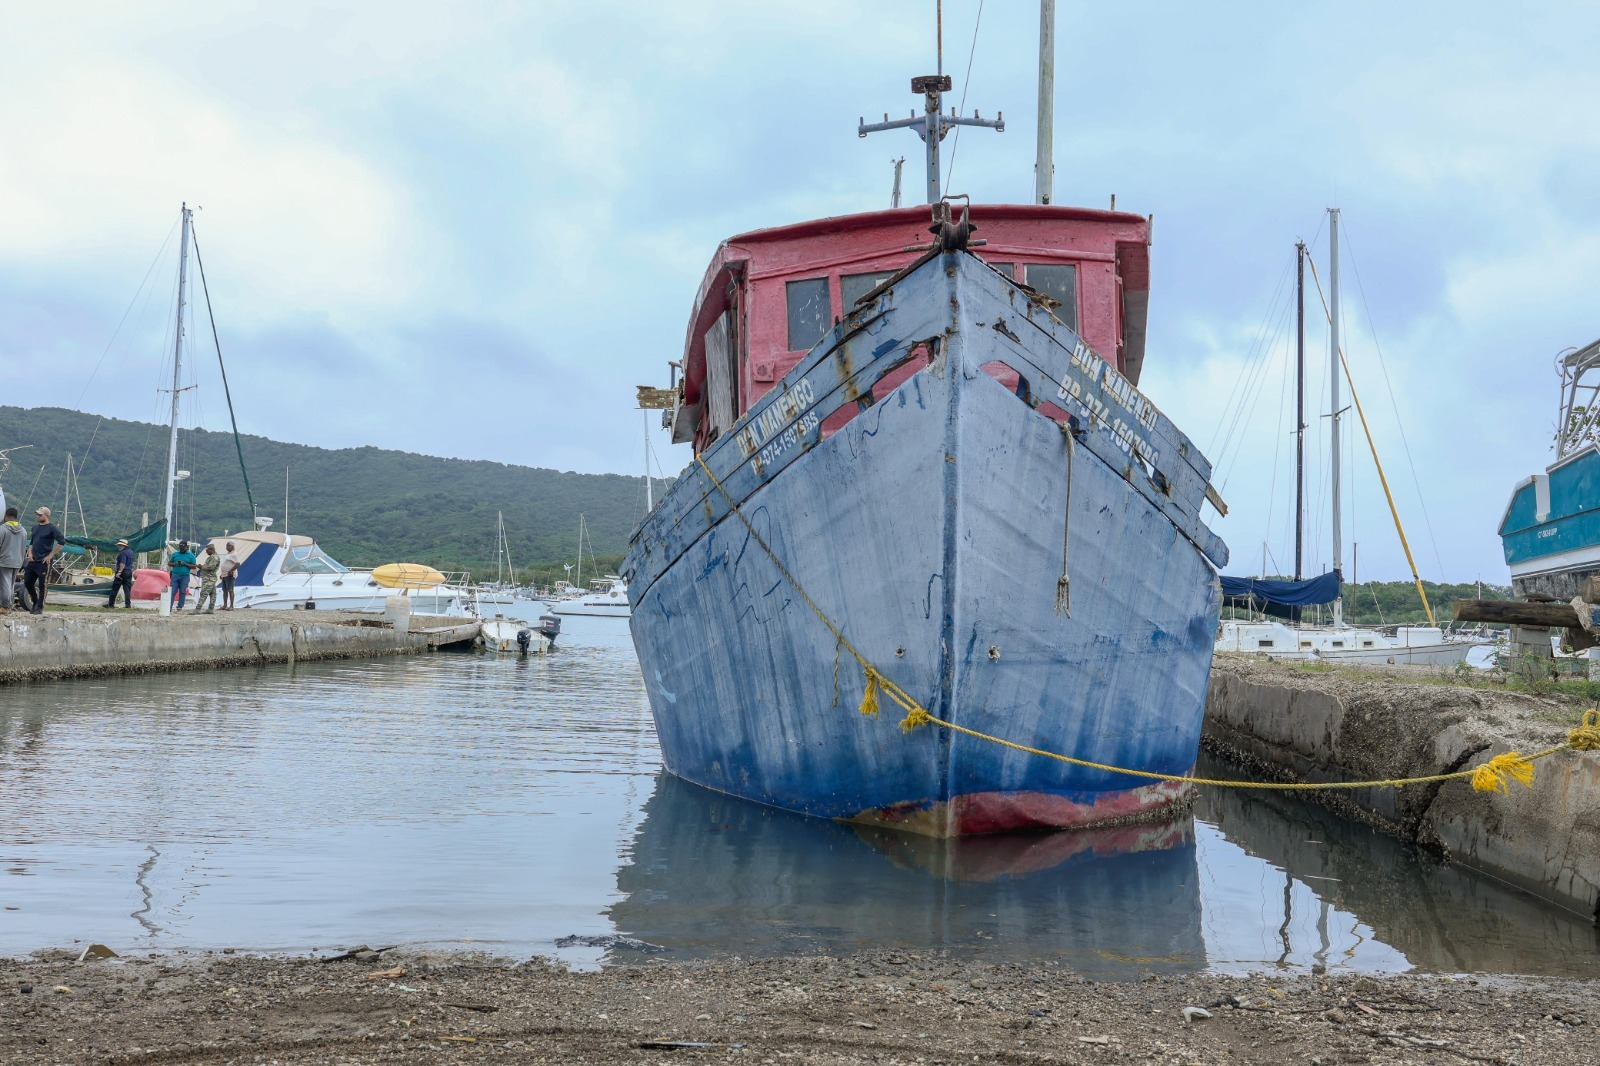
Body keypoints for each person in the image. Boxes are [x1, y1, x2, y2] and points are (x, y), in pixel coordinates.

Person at [24, 506, 64, 615]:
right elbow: (32, 542)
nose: (38, 516)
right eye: (37, 514)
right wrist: (30, 553)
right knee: (27, 582)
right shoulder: (35, 528)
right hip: (33, 560)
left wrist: (51, 554)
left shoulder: (52, 528)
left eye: (40, 515)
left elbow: (61, 542)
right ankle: (35, 601)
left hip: (44, 560)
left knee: (42, 584)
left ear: (46, 516)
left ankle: (40, 607)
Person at [0, 506, 24, 614]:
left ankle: (4, 607)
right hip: (17, 561)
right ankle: (9, 605)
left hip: (4, 561)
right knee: (11, 584)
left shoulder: (2, 529)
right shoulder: (23, 531)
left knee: (4, 584)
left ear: (5, 516)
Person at [168, 540, 197, 611]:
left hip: (185, 576)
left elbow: (194, 566)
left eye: (183, 548)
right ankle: (169, 606)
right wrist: (175, 564)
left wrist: (185, 564)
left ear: (186, 547)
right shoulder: (175, 554)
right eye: (180, 548)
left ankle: (180, 606)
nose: (181, 549)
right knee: (172, 591)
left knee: (182, 592)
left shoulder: (191, 555)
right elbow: (169, 563)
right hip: (175, 575)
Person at [107, 537, 135, 608]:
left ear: (123, 545)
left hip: (122, 571)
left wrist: (119, 572)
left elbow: (123, 563)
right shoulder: (131, 552)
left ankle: (111, 604)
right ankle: (128, 605)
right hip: (129, 571)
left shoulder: (123, 553)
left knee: (115, 588)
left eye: (119, 545)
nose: (118, 546)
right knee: (127, 589)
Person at [195, 543, 220, 613]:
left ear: (211, 549)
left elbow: (211, 567)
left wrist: (201, 567)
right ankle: (210, 609)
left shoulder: (214, 557)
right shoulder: (212, 557)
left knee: (204, 593)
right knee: (213, 594)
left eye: (207, 550)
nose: (206, 552)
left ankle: (197, 609)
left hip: (209, 578)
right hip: (211, 578)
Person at [219, 540, 241, 610]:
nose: (226, 547)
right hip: (224, 574)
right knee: (224, 590)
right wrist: (222, 574)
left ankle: (231, 606)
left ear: (232, 547)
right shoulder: (228, 554)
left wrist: (231, 571)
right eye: (226, 545)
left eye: (228, 545)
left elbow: (237, 564)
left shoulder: (234, 554)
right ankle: (225, 605)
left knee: (230, 590)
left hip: (230, 575)